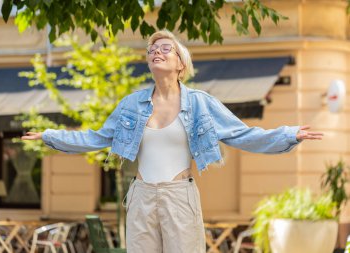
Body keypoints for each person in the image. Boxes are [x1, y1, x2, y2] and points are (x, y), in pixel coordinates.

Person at [22, 30, 323, 253]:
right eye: (152, 49)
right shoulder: (131, 105)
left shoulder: (201, 103)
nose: (156, 52)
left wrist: (287, 134)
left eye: (166, 48)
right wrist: (51, 136)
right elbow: (95, 137)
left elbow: (241, 135)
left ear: (181, 63)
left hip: (179, 196)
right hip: (141, 196)